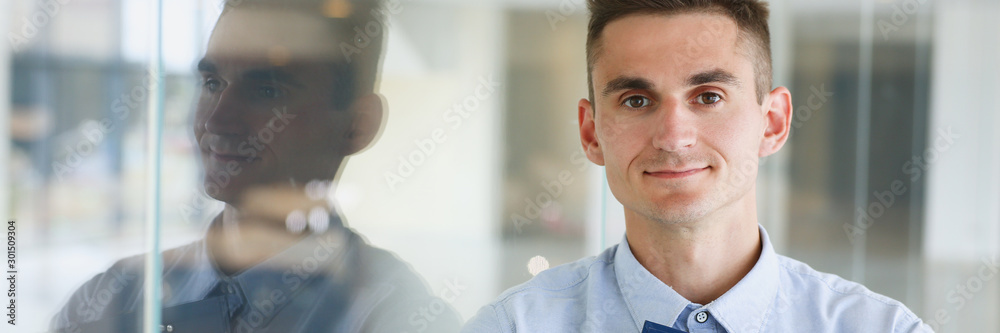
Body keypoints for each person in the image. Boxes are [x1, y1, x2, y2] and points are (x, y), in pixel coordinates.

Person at [463, 0, 932, 332]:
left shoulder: (884, 329)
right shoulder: (512, 327)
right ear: (591, 133)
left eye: (708, 97)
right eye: (636, 100)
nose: (673, 137)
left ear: (773, 122)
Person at [50, 0, 460, 332]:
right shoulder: (111, 298)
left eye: (267, 90)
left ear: (357, 126)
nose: (215, 121)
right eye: (212, 84)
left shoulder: (398, 316)